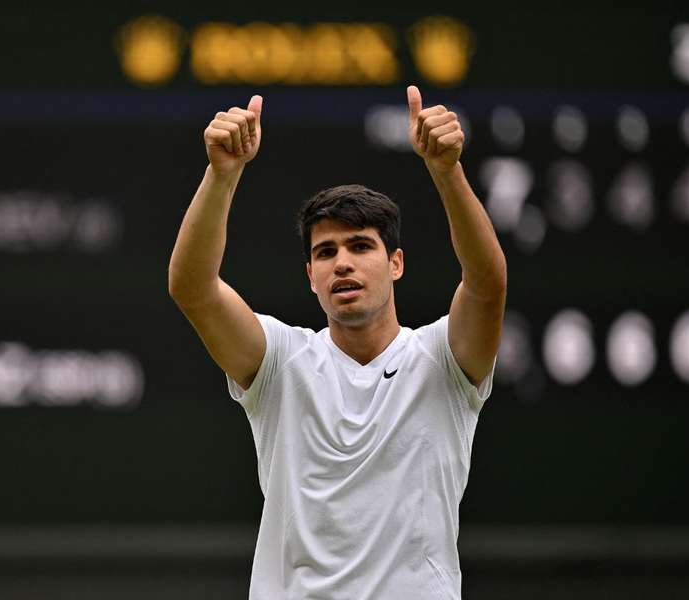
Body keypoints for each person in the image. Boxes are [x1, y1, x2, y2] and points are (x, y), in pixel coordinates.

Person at [168, 86, 507, 600]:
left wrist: (446, 170)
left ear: (396, 263)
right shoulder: (280, 361)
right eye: (325, 252)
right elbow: (193, 288)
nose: (342, 263)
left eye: (360, 245)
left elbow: (486, 284)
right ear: (310, 275)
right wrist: (222, 173)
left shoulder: (443, 360)